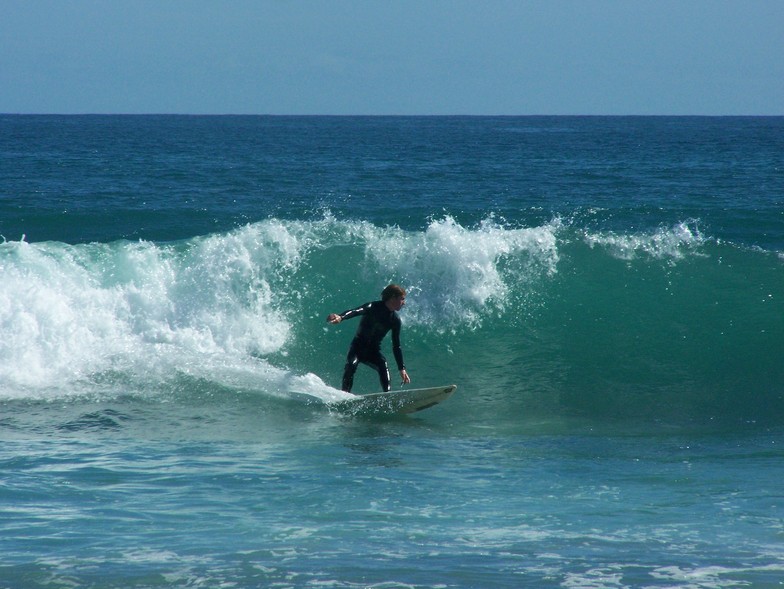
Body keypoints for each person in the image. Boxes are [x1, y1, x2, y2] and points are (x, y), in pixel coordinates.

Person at [326, 284, 412, 393]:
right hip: (357, 347)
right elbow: (355, 311)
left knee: (383, 366)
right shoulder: (372, 307)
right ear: (392, 298)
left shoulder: (395, 320)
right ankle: (344, 395)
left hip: (373, 351)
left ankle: (387, 396)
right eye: (402, 299)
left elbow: (396, 346)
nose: (404, 303)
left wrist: (401, 368)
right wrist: (341, 317)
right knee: (350, 366)